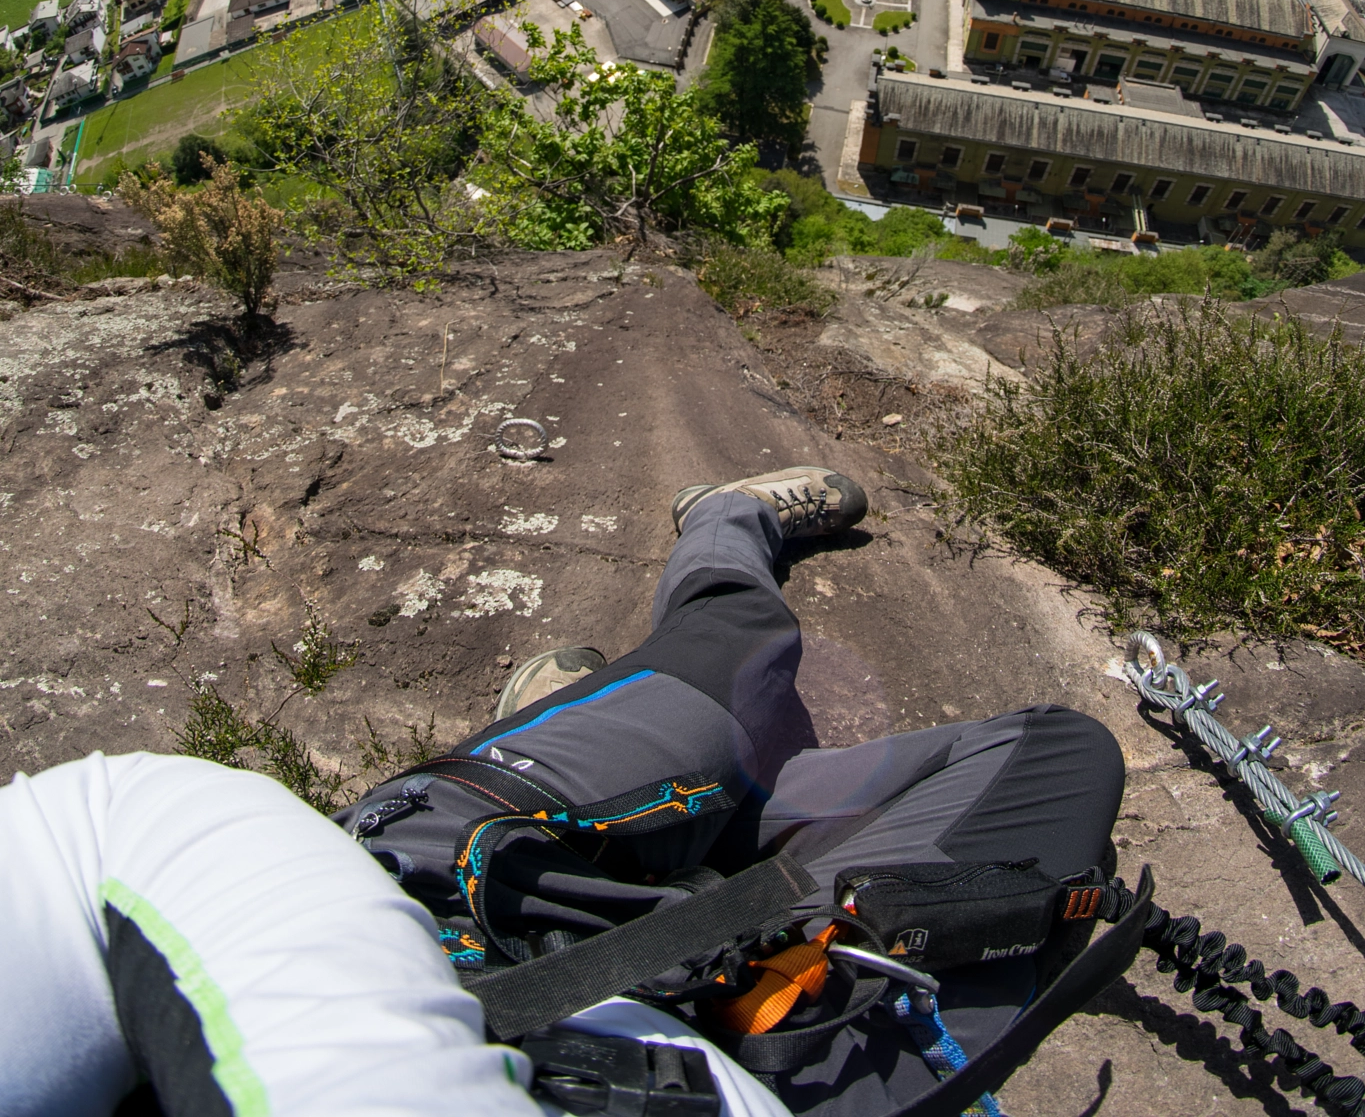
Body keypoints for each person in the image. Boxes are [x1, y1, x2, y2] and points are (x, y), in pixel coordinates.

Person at [0, 465, 1125, 1117]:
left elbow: (101, 835)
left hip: (466, 895)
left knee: (737, 646)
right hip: (782, 1059)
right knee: (1050, 763)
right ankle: (704, 802)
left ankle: (724, 526)